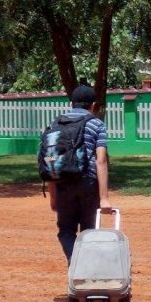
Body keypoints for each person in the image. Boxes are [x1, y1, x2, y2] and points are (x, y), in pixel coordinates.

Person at [48, 84, 111, 264]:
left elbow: (50, 159)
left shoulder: (55, 124)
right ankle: (81, 267)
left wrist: (53, 197)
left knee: (66, 231)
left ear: (71, 103)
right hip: (88, 182)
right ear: (93, 105)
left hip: (63, 181)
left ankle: (75, 264)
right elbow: (101, 160)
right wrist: (104, 197)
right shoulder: (97, 124)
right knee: (89, 231)